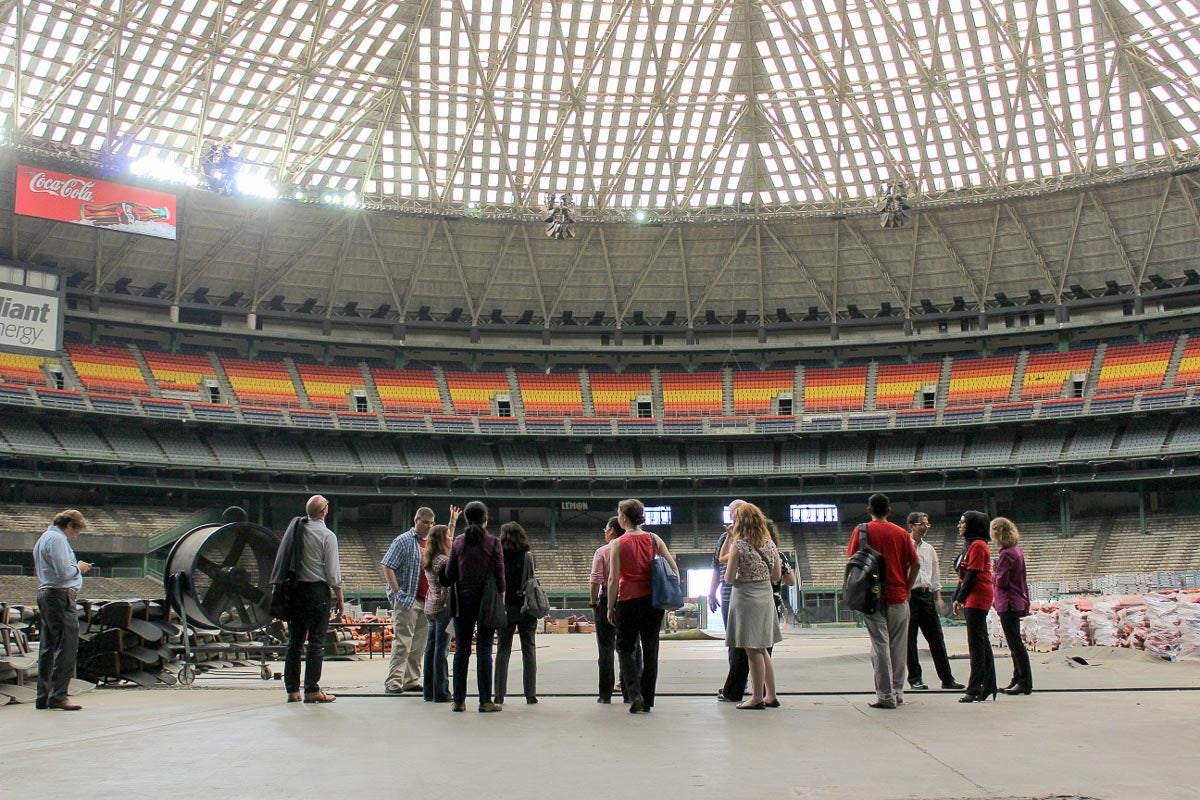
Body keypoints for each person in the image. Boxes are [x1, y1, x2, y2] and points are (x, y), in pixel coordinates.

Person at [845, 493, 919, 710]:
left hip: (873, 598)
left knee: (880, 646)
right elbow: (915, 564)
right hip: (898, 596)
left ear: (869, 510)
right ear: (889, 510)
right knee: (898, 647)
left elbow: (853, 561)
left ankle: (885, 695)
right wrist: (907, 588)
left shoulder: (861, 530)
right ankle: (898, 692)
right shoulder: (902, 533)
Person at [607, 498, 680, 714]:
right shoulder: (654, 539)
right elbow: (673, 568)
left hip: (628, 601)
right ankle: (648, 699)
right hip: (653, 602)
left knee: (625, 648)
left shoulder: (618, 544)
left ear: (624, 517)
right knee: (650, 649)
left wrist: (610, 607)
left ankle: (634, 692)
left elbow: (613, 579)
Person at [271, 495, 345, 704]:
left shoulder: (297, 531)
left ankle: (292, 690)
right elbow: (332, 573)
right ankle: (312, 688)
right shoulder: (327, 536)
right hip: (316, 592)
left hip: (296, 590)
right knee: (316, 641)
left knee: (295, 641)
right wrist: (339, 598)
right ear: (325, 511)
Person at [441, 500, 505, 712]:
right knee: (485, 650)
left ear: (467, 519)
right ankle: (485, 701)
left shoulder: (458, 542)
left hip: (462, 600)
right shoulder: (494, 542)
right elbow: (500, 576)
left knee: (461, 651)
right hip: (486, 600)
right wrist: (500, 601)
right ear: (486, 520)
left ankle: (458, 700)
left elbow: (449, 575)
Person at [721, 503, 782, 709]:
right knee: (763, 648)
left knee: (752, 650)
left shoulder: (738, 545)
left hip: (746, 598)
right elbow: (776, 576)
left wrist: (743, 574)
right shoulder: (770, 544)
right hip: (765, 597)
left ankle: (756, 697)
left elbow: (729, 578)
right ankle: (771, 695)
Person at [32, 509, 91, 711]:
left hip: (47, 594)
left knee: (48, 647)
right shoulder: (57, 540)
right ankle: (59, 695)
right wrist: (79, 567)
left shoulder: (43, 538)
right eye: (76, 532)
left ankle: (44, 695)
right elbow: (64, 571)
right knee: (66, 645)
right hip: (59, 595)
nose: (75, 536)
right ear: (69, 526)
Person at [905, 512, 963, 692]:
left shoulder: (929, 549)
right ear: (912, 526)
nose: (926, 527)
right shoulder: (904, 545)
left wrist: (937, 597)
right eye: (922, 524)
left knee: (937, 639)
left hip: (926, 596)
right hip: (909, 596)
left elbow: (935, 574)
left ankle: (947, 679)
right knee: (910, 641)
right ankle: (915, 679)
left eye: (927, 524)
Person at [381, 506, 436, 694]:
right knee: (403, 641)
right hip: (408, 599)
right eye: (425, 522)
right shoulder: (403, 541)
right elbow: (387, 566)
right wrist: (397, 592)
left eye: (431, 523)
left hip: (426, 600)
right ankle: (393, 681)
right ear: (416, 521)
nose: (429, 526)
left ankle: (410, 680)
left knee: (419, 644)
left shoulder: (430, 543)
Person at [589, 516, 641, 703]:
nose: (604, 532)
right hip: (629, 600)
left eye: (606, 528)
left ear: (612, 530)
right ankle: (631, 693)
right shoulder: (631, 549)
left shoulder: (602, 551)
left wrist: (593, 603)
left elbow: (595, 581)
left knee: (605, 648)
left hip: (606, 601)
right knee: (631, 647)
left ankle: (605, 694)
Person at [953, 510, 998, 703]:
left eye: (963, 522)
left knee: (976, 643)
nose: (959, 525)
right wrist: (957, 597)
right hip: (972, 594)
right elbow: (963, 576)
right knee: (980, 641)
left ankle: (975, 686)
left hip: (978, 595)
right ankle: (988, 684)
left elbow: (972, 575)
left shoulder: (978, 546)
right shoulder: (970, 545)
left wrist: (960, 598)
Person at [709, 498, 749, 702]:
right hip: (727, 596)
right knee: (733, 642)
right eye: (732, 512)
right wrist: (711, 592)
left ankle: (737, 684)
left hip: (745, 594)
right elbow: (717, 566)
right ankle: (736, 681)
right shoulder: (724, 538)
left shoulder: (751, 538)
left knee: (747, 643)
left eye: (737, 511)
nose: (733, 516)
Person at [494, 521, 538, 705]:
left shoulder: (497, 556)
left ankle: (499, 694)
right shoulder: (529, 556)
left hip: (505, 607)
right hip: (526, 607)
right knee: (529, 649)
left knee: (503, 650)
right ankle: (530, 694)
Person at [421, 507, 460, 703]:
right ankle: (441, 691)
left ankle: (429, 691)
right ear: (442, 540)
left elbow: (447, 538)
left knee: (430, 649)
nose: (451, 539)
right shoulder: (444, 561)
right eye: (448, 536)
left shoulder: (431, 558)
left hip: (431, 607)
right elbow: (450, 582)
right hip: (443, 608)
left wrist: (452, 521)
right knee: (441, 650)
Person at [992, 516, 1032, 696]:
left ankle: (1024, 681)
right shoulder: (1016, 551)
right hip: (1015, 600)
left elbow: (1002, 581)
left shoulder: (1006, 554)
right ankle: (1017, 679)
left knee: (1015, 644)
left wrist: (991, 573)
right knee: (1014, 642)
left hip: (1007, 602)